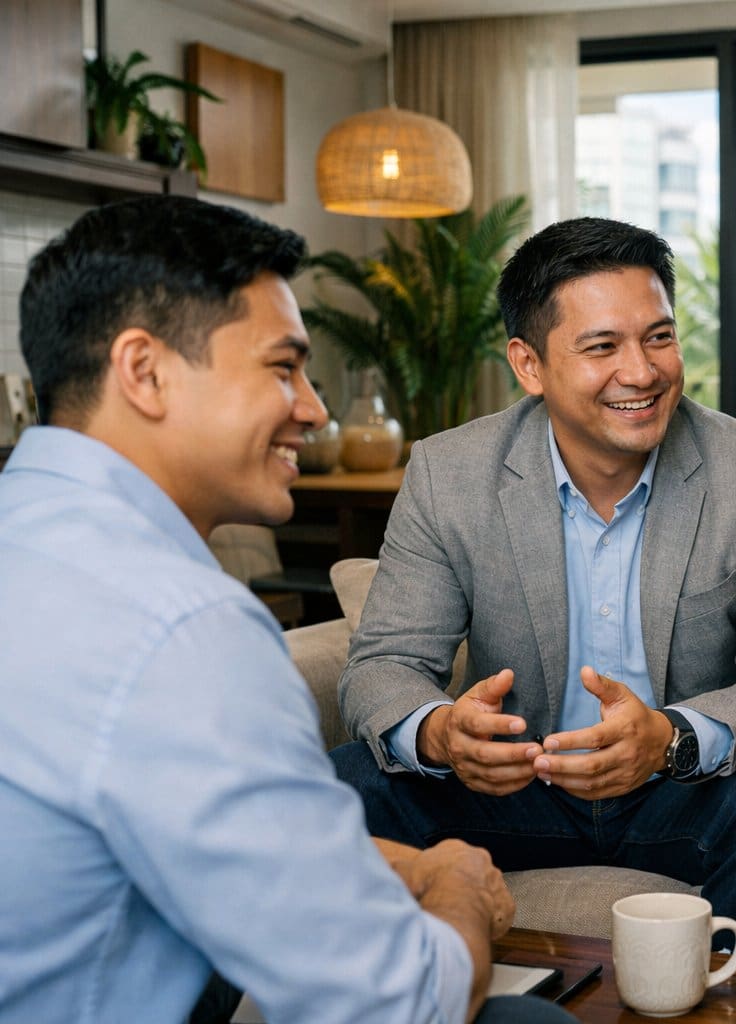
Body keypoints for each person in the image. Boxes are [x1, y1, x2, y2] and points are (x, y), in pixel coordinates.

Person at [0, 196, 576, 1023]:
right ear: (144, 370)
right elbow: (404, 1000)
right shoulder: (183, 628)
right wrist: (451, 881)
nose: (311, 407)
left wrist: (395, 866)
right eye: (283, 367)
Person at [328, 216, 736, 962]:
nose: (641, 372)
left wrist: (669, 738)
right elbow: (382, 665)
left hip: (682, 784)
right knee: (344, 784)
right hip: (513, 783)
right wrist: (441, 734)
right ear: (529, 365)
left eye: (659, 337)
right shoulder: (451, 474)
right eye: (602, 346)